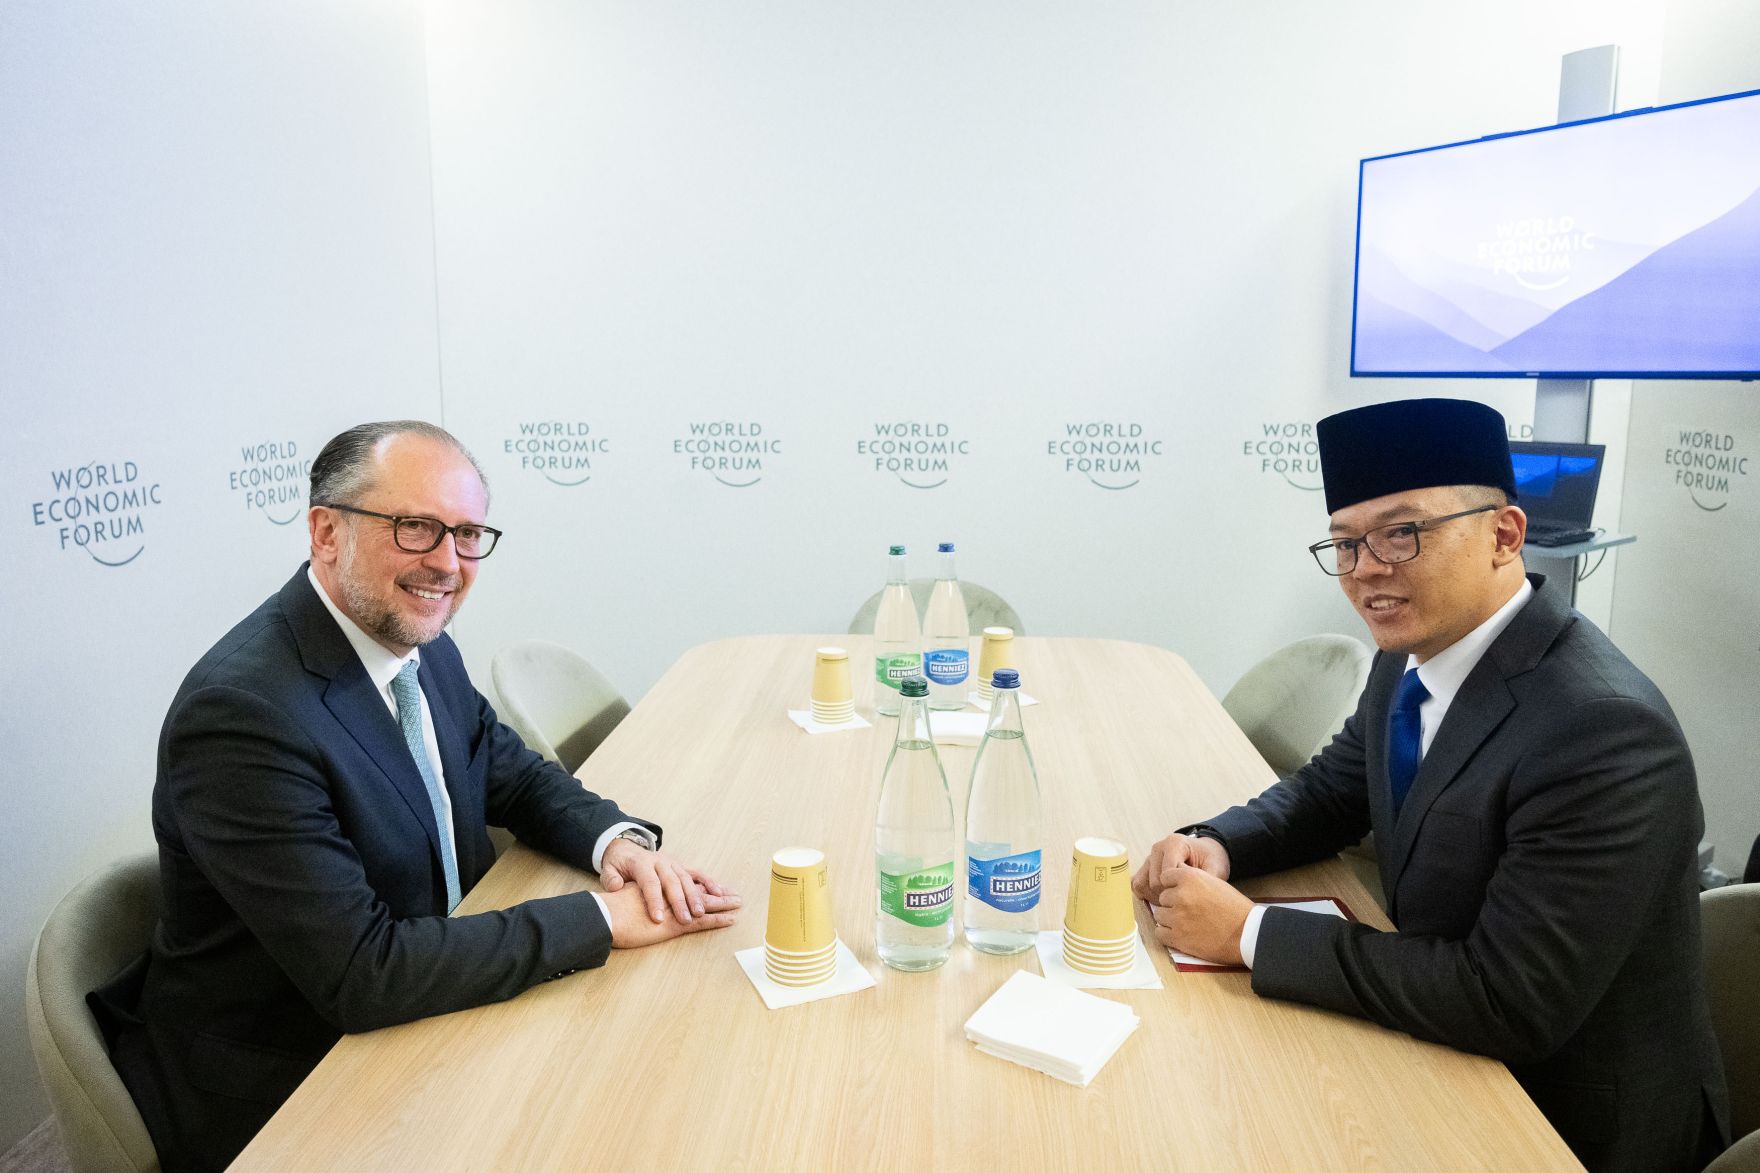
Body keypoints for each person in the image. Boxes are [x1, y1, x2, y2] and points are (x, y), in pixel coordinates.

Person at [91, 421, 740, 1173]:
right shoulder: (242, 715)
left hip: (429, 994)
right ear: (326, 533)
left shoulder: (415, 640)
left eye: (467, 534)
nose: (448, 563)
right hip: (297, 1073)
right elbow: (361, 974)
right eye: (415, 528)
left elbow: (509, 771)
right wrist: (603, 918)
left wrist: (614, 844)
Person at [1134, 399, 1727, 1173]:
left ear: (1504, 535)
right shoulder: (1414, 651)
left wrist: (1247, 933)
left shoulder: (1604, 728)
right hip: (1437, 1050)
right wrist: (1215, 842)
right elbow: (1330, 792)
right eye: (1346, 543)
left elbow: (1508, 999)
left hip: (1567, 1121)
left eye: (1402, 533)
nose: (1367, 569)